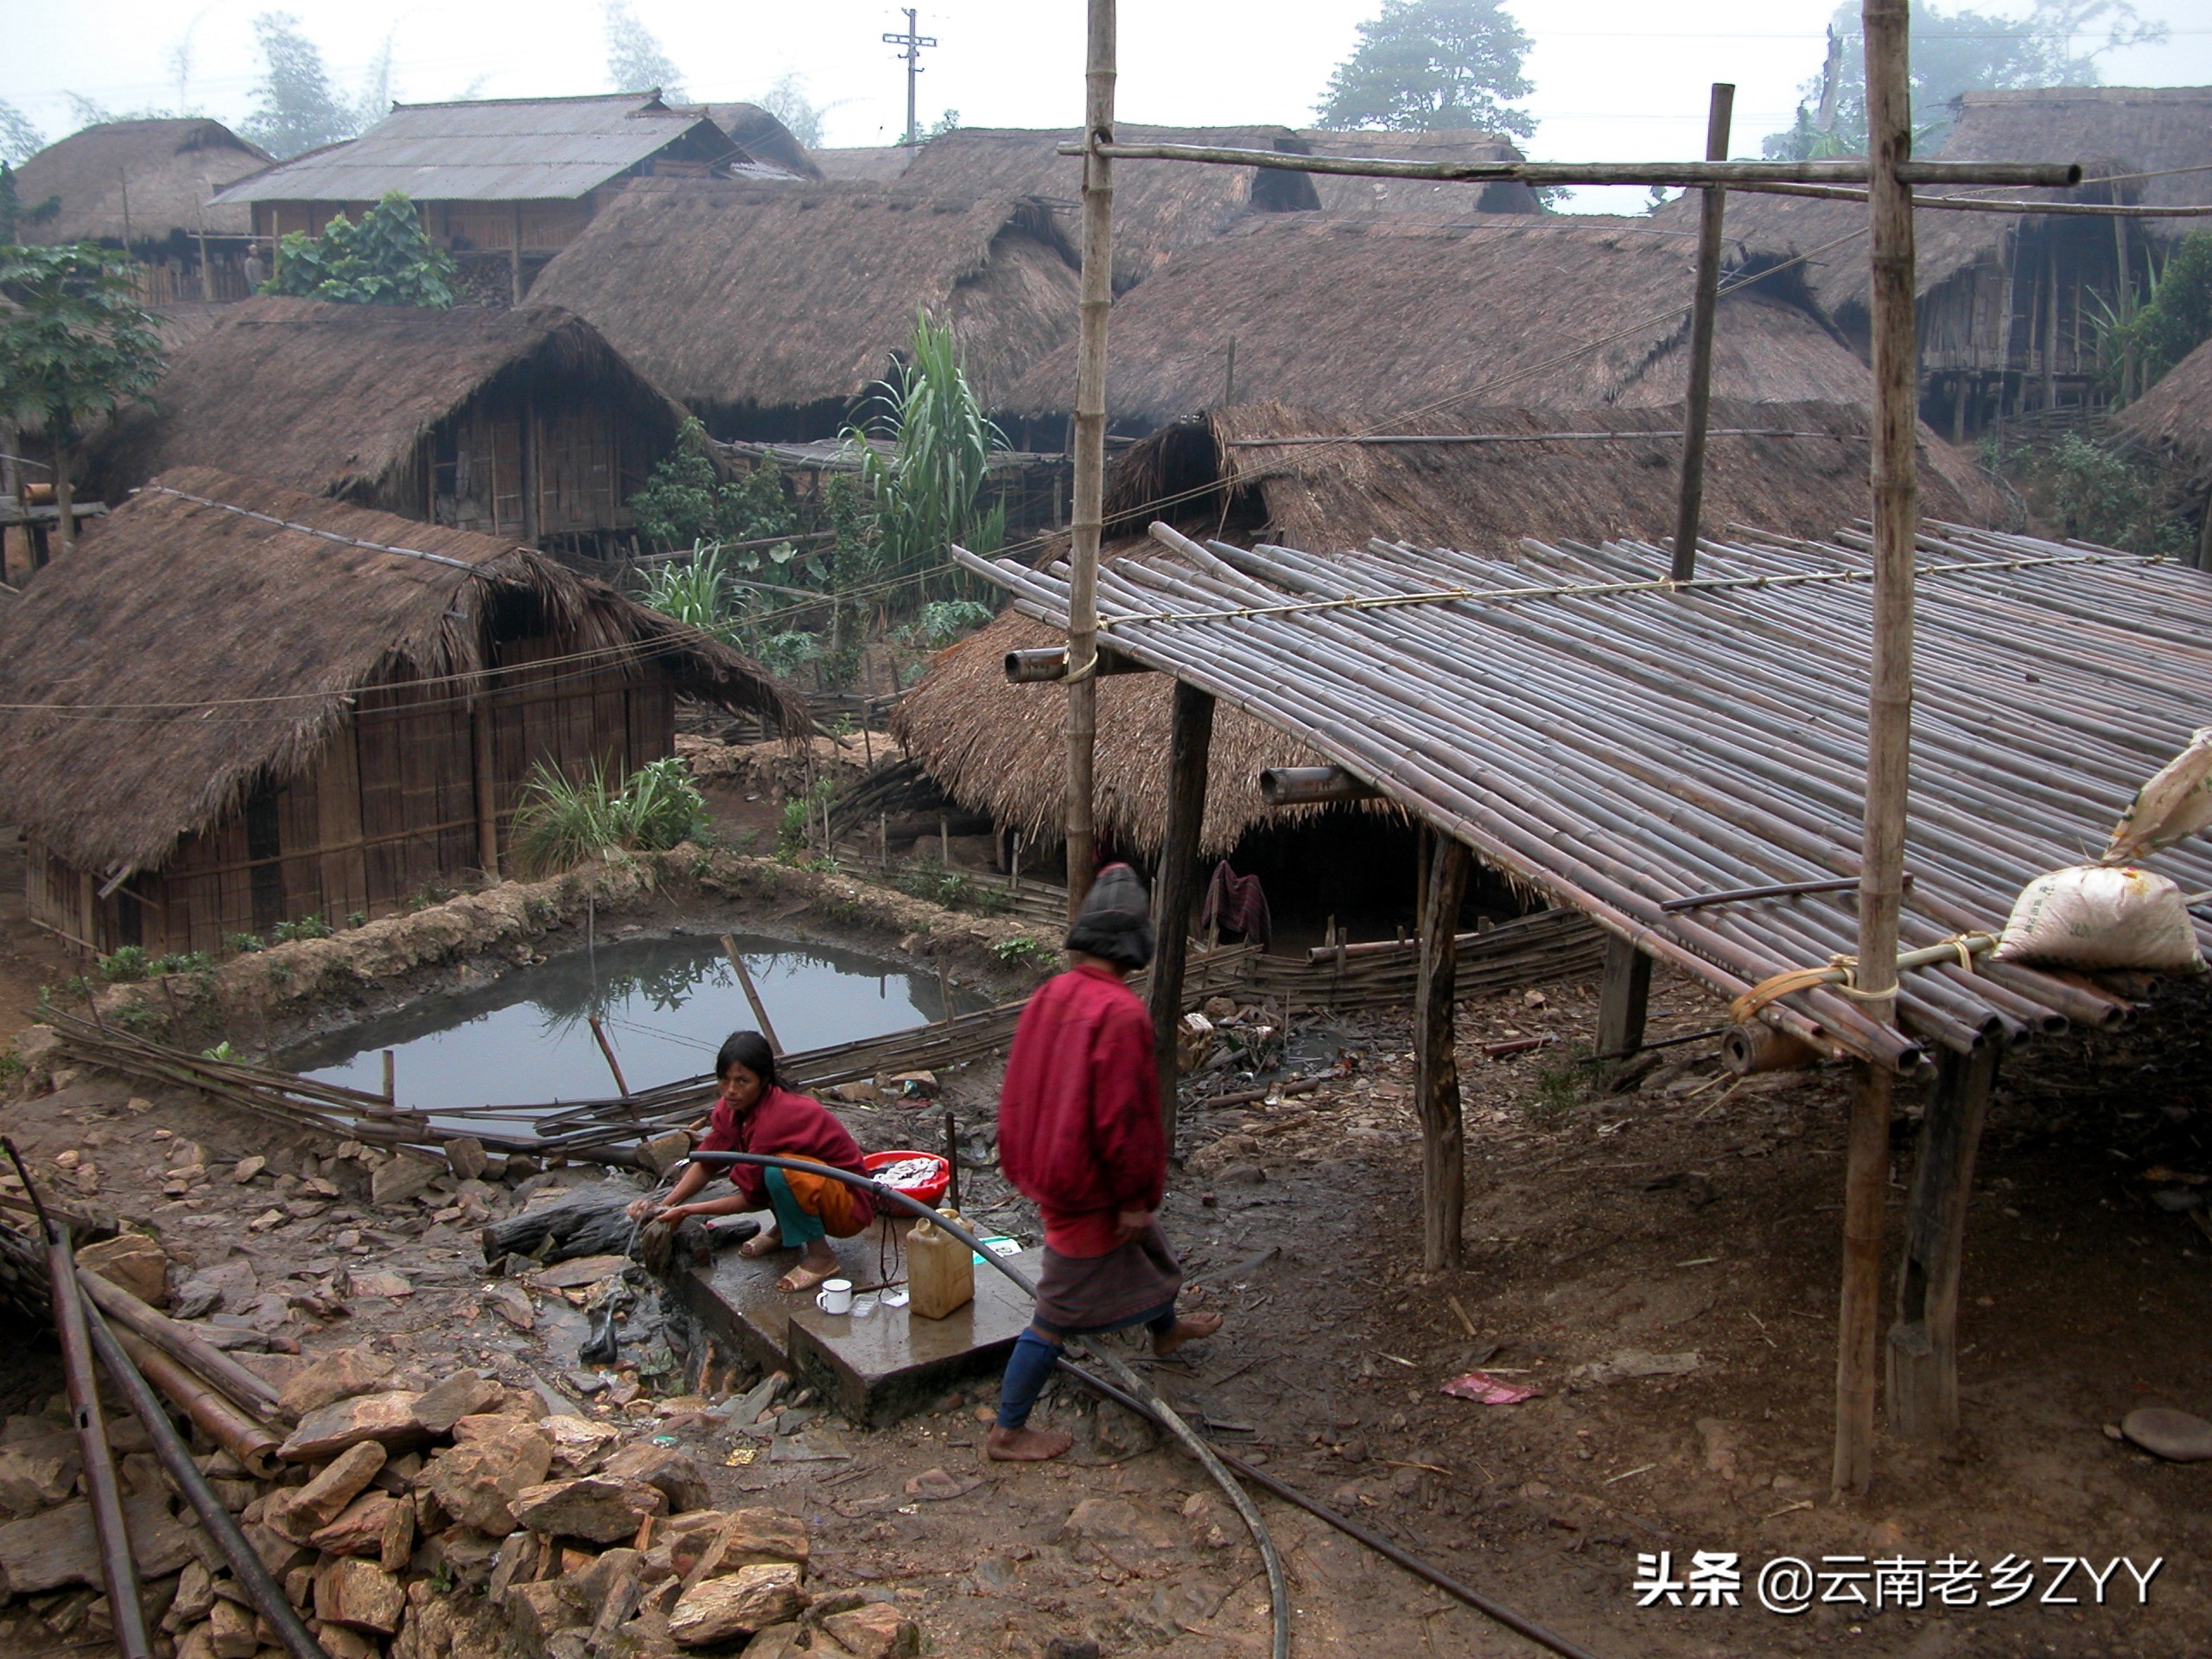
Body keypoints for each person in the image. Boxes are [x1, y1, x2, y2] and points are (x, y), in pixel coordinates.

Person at [987, 863, 1223, 1461]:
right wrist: (1133, 1195)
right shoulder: (1119, 1014)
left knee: (1151, 1246)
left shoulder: (1051, 994)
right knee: (1055, 1313)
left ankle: (1165, 1331)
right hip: (1087, 1183)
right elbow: (1125, 1121)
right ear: (1133, 945)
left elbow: (1019, 1084)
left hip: (1057, 1167)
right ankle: (1008, 1431)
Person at [627, 1031, 873, 1294]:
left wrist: (687, 1211)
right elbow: (708, 1162)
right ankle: (784, 1232)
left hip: (848, 1206)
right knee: (763, 1170)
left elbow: (752, 1199)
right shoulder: (732, 1107)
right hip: (820, 1191)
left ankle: (821, 1257)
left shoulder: (776, 1117)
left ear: (764, 1080)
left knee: (779, 1174)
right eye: (724, 1080)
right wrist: (664, 1205)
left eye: (742, 1081)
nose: (731, 1090)